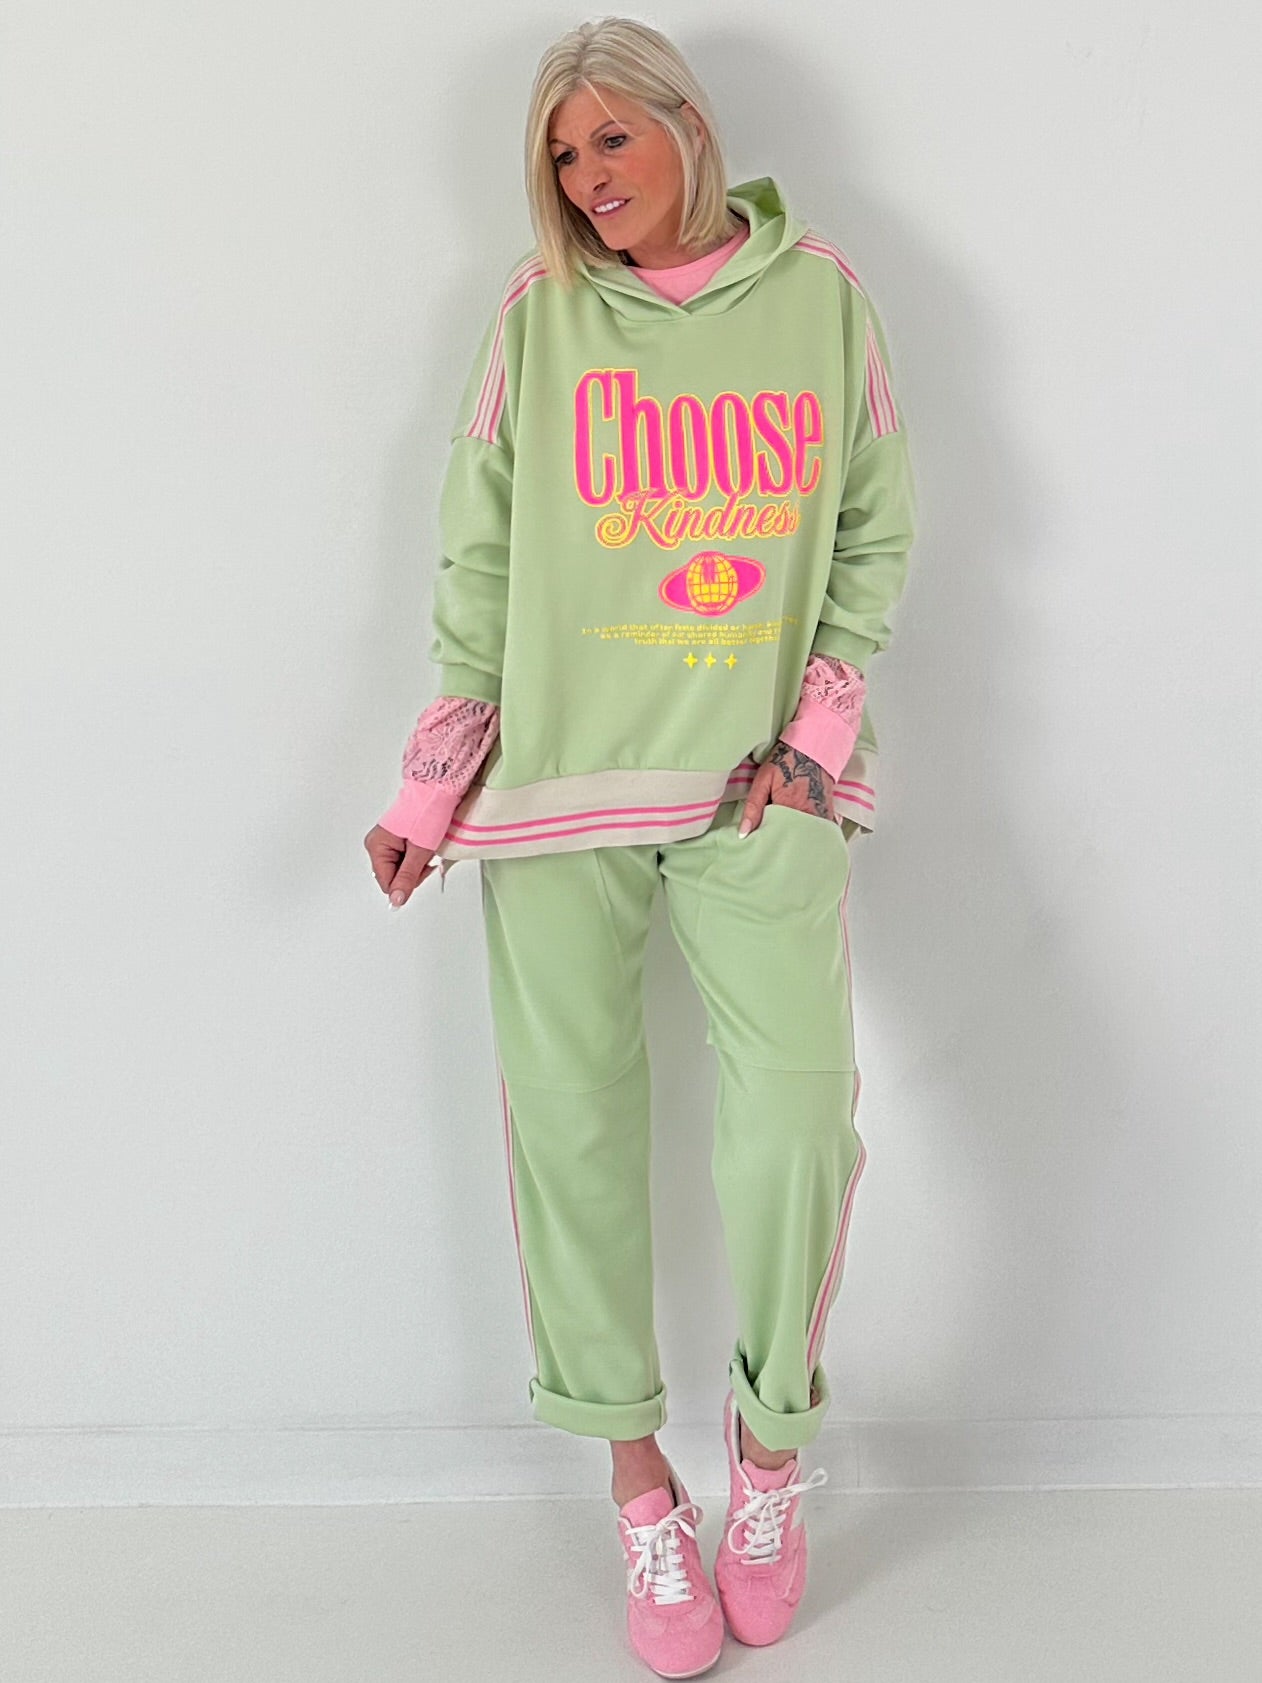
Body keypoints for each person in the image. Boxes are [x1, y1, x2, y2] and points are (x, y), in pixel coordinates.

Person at [364, 17, 916, 1678]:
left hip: (761, 786)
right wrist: (431, 783)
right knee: (573, 1136)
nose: (586, 178)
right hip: (556, 791)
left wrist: (817, 738)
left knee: (796, 1123)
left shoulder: (820, 297)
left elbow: (873, 522)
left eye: (610, 138)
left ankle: (770, 1453)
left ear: (688, 126)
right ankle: (637, 1490)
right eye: (561, 153)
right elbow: (478, 559)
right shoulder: (534, 319)